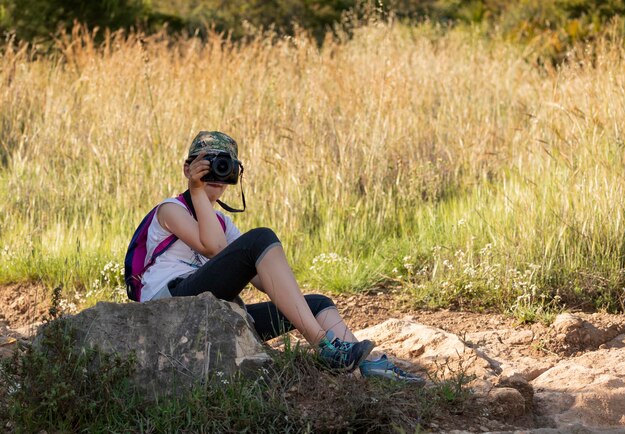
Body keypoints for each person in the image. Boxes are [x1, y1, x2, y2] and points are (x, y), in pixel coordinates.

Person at [140, 130, 423, 382]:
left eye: (223, 165)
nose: (215, 172)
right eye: (207, 163)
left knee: (316, 304)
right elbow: (213, 247)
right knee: (260, 237)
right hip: (171, 304)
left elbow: (265, 281)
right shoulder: (170, 209)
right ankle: (324, 346)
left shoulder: (225, 225)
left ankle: (368, 366)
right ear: (188, 168)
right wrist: (197, 190)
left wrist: (272, 268)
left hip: (211, 311)